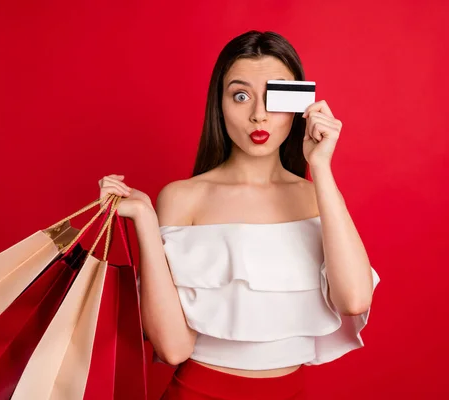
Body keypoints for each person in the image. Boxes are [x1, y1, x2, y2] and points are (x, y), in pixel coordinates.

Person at [98, 30, 380, 400]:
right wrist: (146, 222)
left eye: (275, 97)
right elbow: (173, 349)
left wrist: (322, 168)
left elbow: (355, 300)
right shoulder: (183, 198)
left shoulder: (316, 198)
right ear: (221, 104)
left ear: (299, 106)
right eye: (241, 95)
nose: (258, 115)